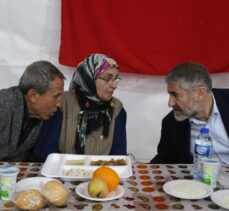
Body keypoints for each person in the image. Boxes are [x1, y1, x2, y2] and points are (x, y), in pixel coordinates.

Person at [33, 53, 127, 161]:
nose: (114, 85)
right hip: (61, 172)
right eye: (107, 78)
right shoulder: (62, 103)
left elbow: (119, 157)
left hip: (101, 173)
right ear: (89, 77)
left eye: (116, 79)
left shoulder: (116, 109)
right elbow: (46, 152)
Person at [150, 62, 229, 164]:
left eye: (176, 95)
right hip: (199, 179)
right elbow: (164, 162)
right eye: (170, 94)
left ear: (200, 93)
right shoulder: (171, 123)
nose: (170, 103)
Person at [0, 61, 65, 161]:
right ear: (33, 95)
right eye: (55, 96)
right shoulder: (3, 105)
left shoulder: (44, 115)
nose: (59, 103)